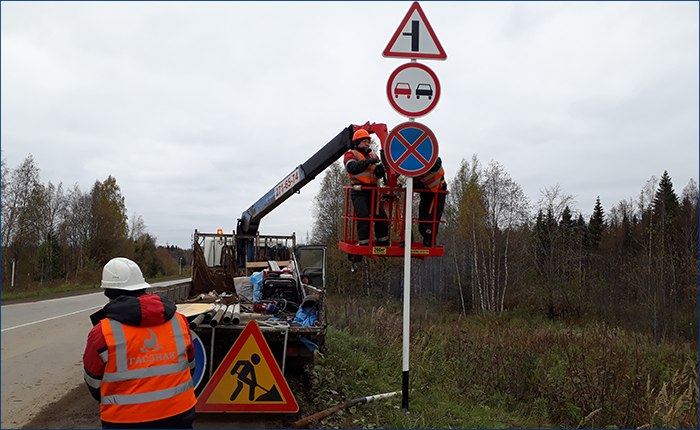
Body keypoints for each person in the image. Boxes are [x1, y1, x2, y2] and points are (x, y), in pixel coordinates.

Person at [83, 257, 197, 429]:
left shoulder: (102, 333)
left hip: (124, 421)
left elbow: (94, 384)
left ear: (108, 292)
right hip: (179, 416)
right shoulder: (179, 322)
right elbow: (190, 368)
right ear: (143, 287)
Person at [343, 128, 390, 246]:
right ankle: (364, 243)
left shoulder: (373, 155)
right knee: (363, 218)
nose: (367, 144)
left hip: (372, 191)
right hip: (359, 191)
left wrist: (380, 171)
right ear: (357, 142)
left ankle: (382, 242)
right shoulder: (351, 154)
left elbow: (376, 174)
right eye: (364, 141)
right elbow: (351, 167)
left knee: (382, 218)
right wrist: (368, 162)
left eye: (368, 141)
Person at [413, 156, 447, 247]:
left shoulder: (433, 159)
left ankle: (429, 241)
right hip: (426, 192)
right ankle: (427, 239)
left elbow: (436, 164)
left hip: (438, 191)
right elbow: (415, 184)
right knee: (422, 221)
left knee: (431, 220)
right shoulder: (411, 165)